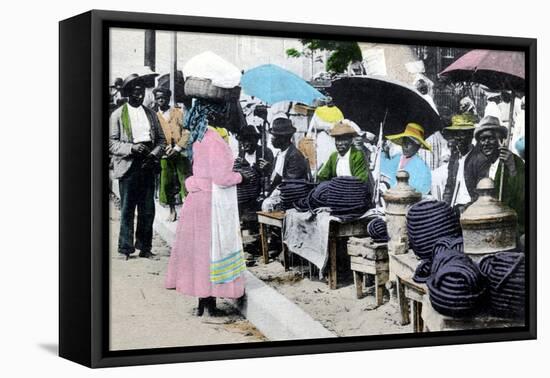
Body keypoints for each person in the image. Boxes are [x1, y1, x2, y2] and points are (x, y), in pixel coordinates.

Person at [165, 99, 252, 316]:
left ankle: (203, 302)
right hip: (209, 203)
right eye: (222, 113)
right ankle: (210, 305)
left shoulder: (199, 137)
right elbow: (222, 178)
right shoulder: (214, 140)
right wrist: (243, 176)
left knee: (199, 253)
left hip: (196, 200)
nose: (226, 117)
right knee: (212, 251)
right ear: (214, 116)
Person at [109, 73, 166, 259]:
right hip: (129, 165)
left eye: (141, 92)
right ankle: (125, 248)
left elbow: (161, 140)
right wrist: (132, 148)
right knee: (127, 208)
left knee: (148, 209)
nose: (139, 96)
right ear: (127, 93)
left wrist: (154, 153)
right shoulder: (118, 115)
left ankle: (145, 247)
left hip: (148, 163)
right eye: (135, 93)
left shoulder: (150, 114)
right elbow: (111, 143)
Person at [465, 115, 525, 234]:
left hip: (510, 225)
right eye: (482, 139)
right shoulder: (484, 165)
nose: (485, 143)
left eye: (490, 138)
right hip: (489, 221)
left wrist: (512, 167)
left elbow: (521, 199)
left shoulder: (514, 161)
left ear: (501, 140)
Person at [153, 87, 191, 222]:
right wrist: (164, 148)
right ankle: (172, 210)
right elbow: (153, 136)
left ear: (168, 98)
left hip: (180, 153)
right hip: (164, 154)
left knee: (185, 181)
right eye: (158, 98)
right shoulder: (154, 116)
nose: (161, 100)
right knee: (167, 182)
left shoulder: (178, 113)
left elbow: (187, 131)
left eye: (163, 97)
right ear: (155, 99)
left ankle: (188, 211)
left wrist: (178, 148)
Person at [261, 117, 310, 211]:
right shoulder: (279, 154)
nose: (271, 139)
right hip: (280, 193)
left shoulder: (295, 156)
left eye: (274, 136)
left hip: (292, 198)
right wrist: (269, 169)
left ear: (283, 138)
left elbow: (290, 184)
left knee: (266, 205)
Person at [381, 123, 432, 195]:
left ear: (417, 147)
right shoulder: (398, 158)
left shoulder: (420, 166)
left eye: (409, 143)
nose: (405, 146)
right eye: (404, 142)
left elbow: (420, 190)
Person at [442, 114, 476, 209]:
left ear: (470, 135)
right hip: (455, 206)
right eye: (455, 134)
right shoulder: (455, 157)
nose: (458, 138)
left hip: (472, 207)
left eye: (461, 134)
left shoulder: (478, 157)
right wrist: (444, 207)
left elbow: (480, 192)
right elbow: (449, 186)